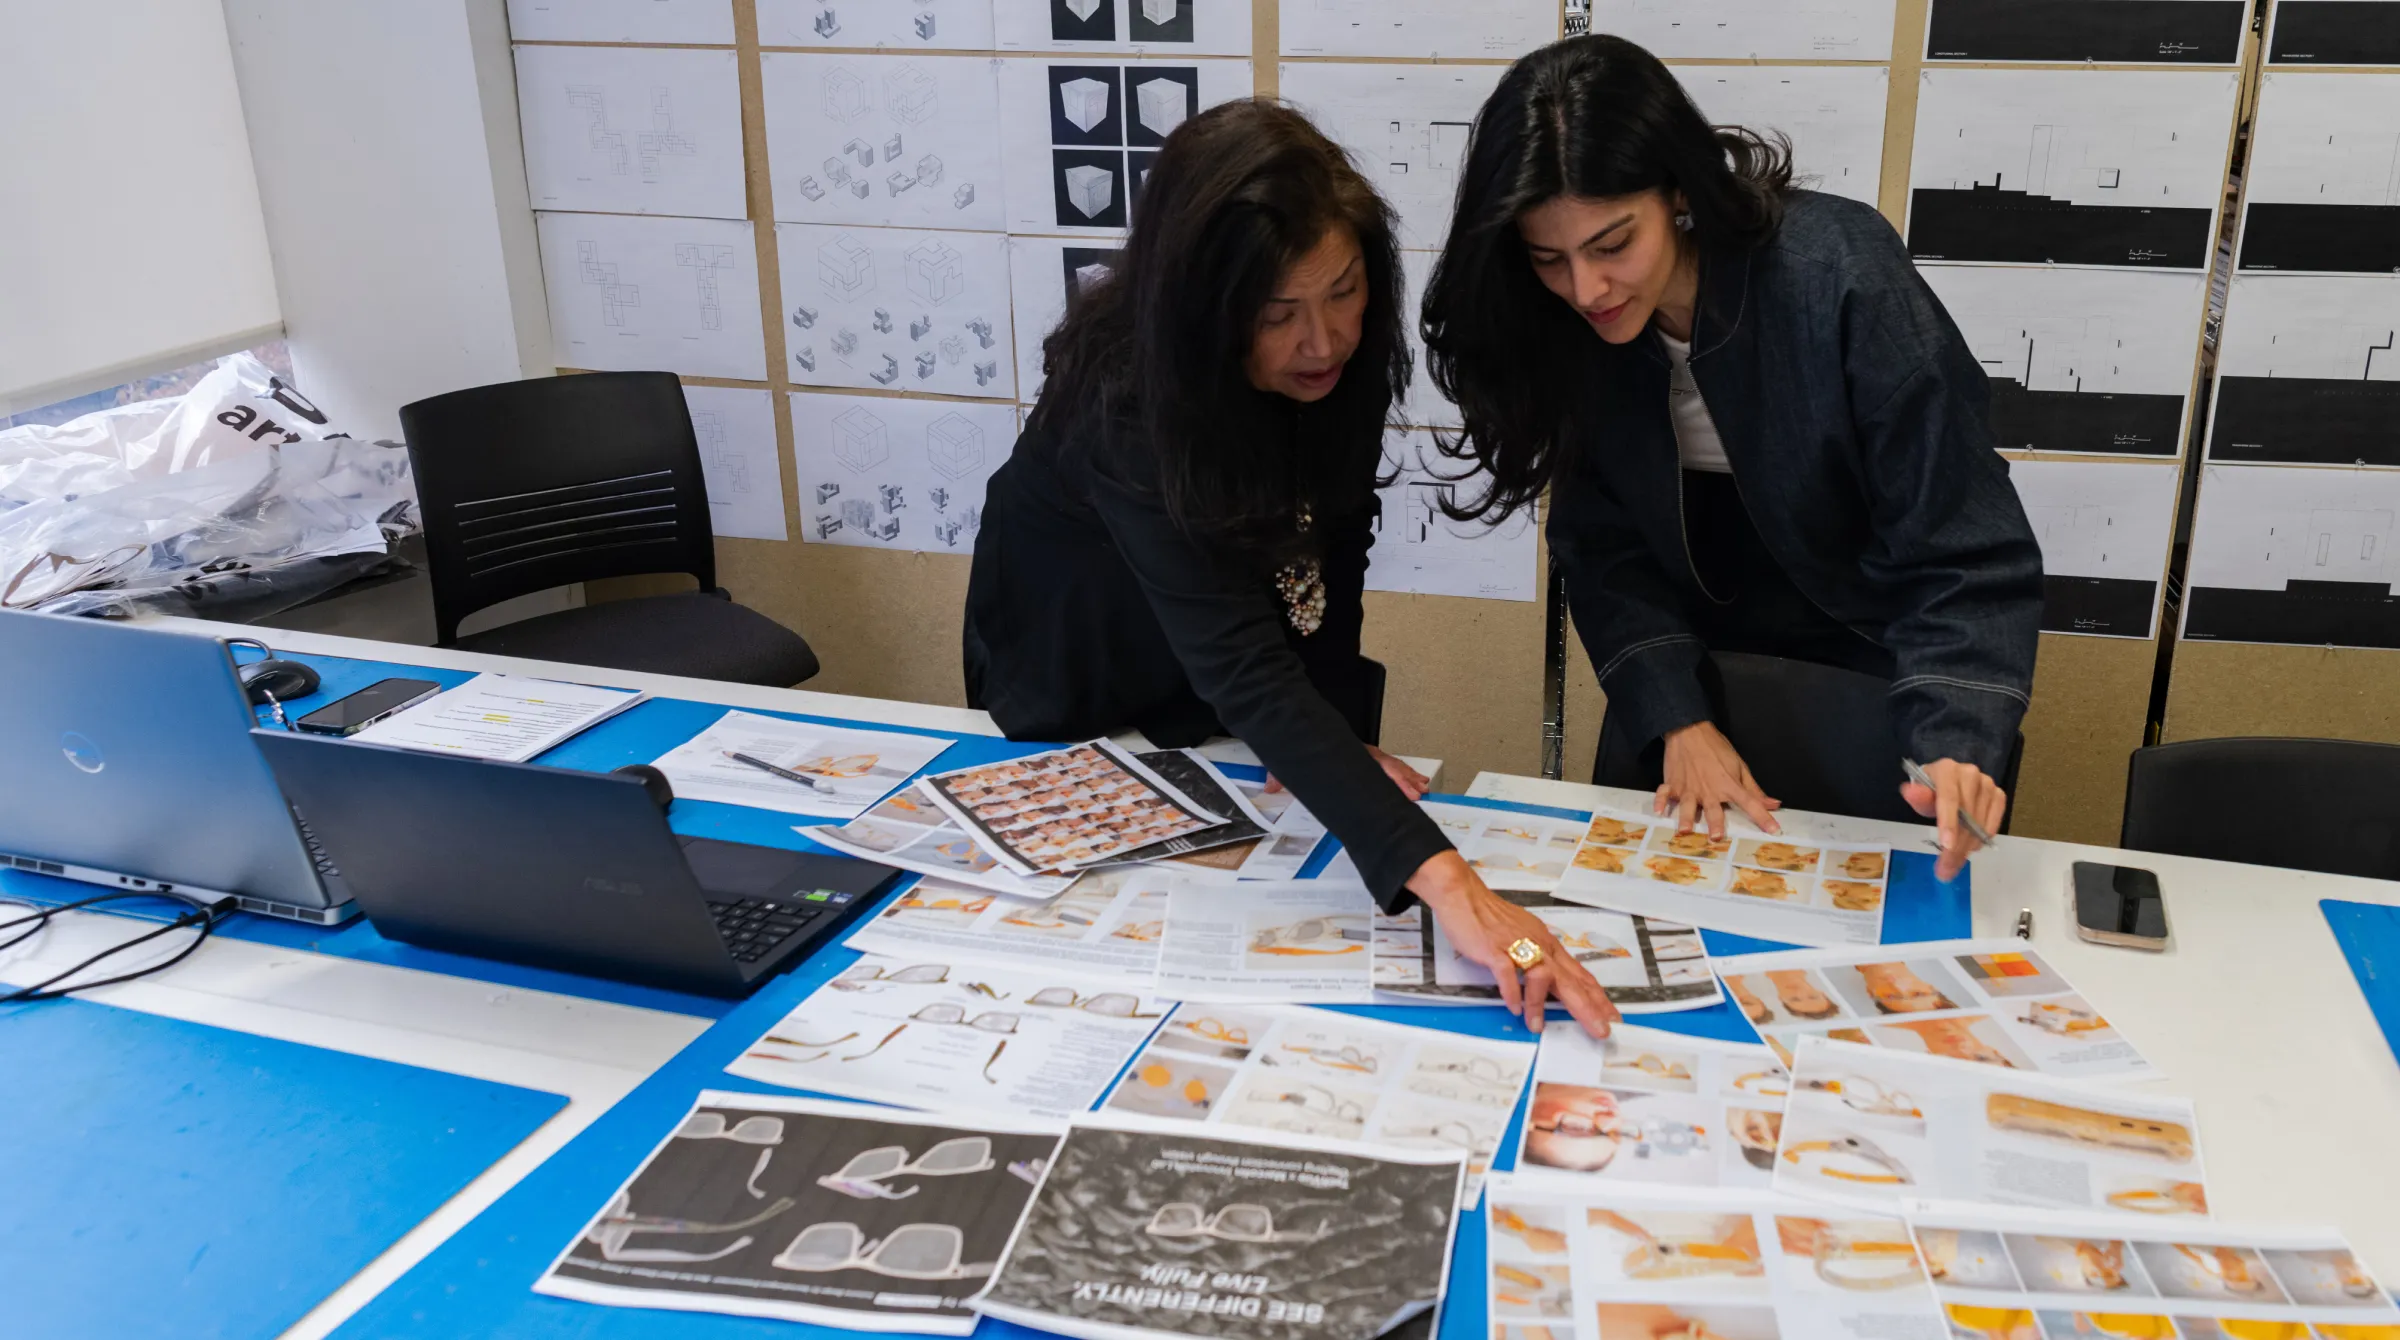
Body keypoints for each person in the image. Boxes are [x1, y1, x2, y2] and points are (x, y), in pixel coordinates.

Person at [963, 99, 1617, 1036]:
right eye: (1277, 315)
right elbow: (1241, 663)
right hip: (1079, 661)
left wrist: (1335, 726)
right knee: (1114, 942)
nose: (1324, 341)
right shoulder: (1129, 394)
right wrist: (1454, 888)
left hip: (1219, 670)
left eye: (1344, 291)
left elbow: (1336, 539)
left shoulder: (1342, 351)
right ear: (1206, 311)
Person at [1421, 35, 2043, 880]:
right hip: (1696, 676)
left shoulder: (1840, 278)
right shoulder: (1563, 328)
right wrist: (1677, 717)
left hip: (1879, 671)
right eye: (1548, 259)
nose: (1587, 289)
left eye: (1613, 244)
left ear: (1678, 191)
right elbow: (1602, 550)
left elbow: (1963, 543)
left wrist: (1957, 734)